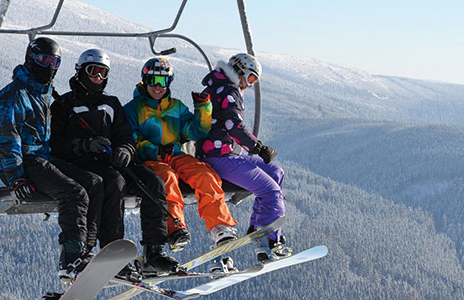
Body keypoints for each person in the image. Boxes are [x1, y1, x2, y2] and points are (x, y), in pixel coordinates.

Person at [50, 49, 179, 274]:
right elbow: (56, 144)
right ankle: (109, 251)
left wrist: (125, 151)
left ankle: (153, 251)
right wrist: (85, 145)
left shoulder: (111, 103)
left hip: (114, 162)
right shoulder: (64, 105)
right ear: (80, 72)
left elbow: (125, 136)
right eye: (93, 71)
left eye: (103, 73)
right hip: (84, 165)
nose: (98, 78)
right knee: (113, 182)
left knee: (154, 182)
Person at [0, 37, 104, 281]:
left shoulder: (43, 94)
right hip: (23, 162)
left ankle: (86, 250)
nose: (50, 67)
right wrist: (15, 178)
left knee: (94, 183)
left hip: (42, 158)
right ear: (31, 60)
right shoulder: (14, 95)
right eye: (45, 60)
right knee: (74, 193)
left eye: (56, 62)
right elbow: (6, 139)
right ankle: (72, 256)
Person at [123, 57, 238, 251]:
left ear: (169, 82)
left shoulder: (176, 107)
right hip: (150, 160)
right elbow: (131, 140)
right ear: (145, 81)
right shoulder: (134, 109)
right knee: (166, 179)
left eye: (163, 81)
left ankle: (220, 226)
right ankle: (175, 229)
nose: (158, 87)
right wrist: (154, 150)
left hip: (176, 155)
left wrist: (203, 108)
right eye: (153, 81)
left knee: (204, 174)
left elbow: (195, 132)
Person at [195, 53, 292, 262]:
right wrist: (257, 147)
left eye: (254, 82)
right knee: (270, 191)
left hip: (220, 154)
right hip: (219, 157)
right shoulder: (229, 90)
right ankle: (268, 242)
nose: (249, 85)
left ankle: (257, 229)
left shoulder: (216, 86)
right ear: (239, 71)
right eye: (250, 79)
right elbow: (234, 126)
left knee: (276, 172)